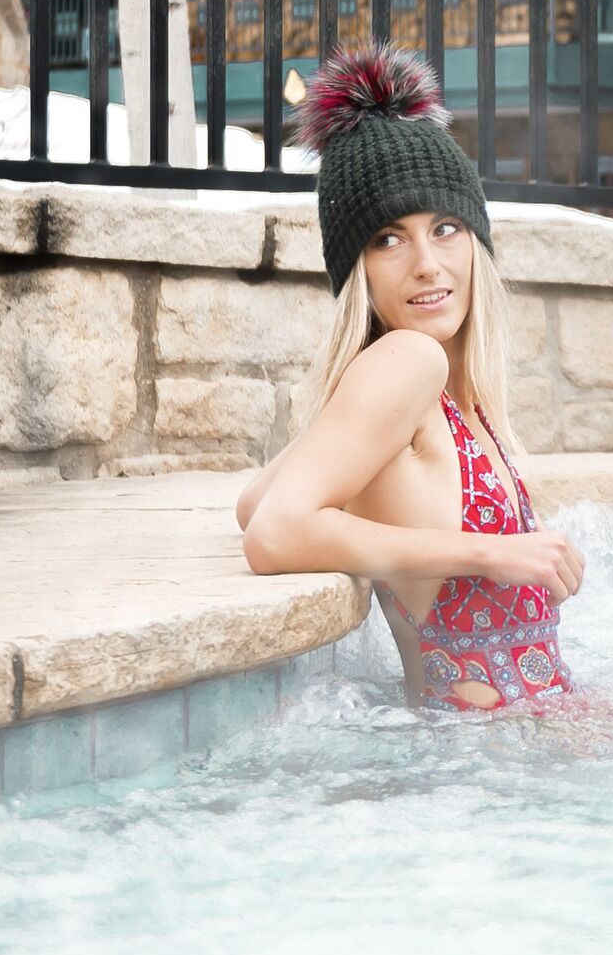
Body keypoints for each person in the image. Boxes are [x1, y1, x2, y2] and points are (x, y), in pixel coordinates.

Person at [235, 47, 582, 708]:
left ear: (475, 243)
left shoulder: (456, 397)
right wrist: (489, 555)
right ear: (356, 270)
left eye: (445, 228)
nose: (426, 264)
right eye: (388, 238)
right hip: (493, 758)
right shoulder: (407, 361)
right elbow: (272, 532)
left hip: (515, 745)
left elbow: (256, 499)